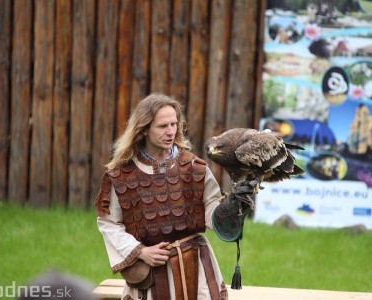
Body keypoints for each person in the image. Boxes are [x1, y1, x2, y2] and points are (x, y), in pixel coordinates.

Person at [95, 93, 256, 300]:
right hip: (151, 270)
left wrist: (232, 208)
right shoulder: (120, 175)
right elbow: (109, 223)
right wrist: (140, 251)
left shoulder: (194, 167)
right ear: (144, 129)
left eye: (174, 124)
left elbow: (211, 210)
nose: (171, 131)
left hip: (196, 267)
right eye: (163, 126)